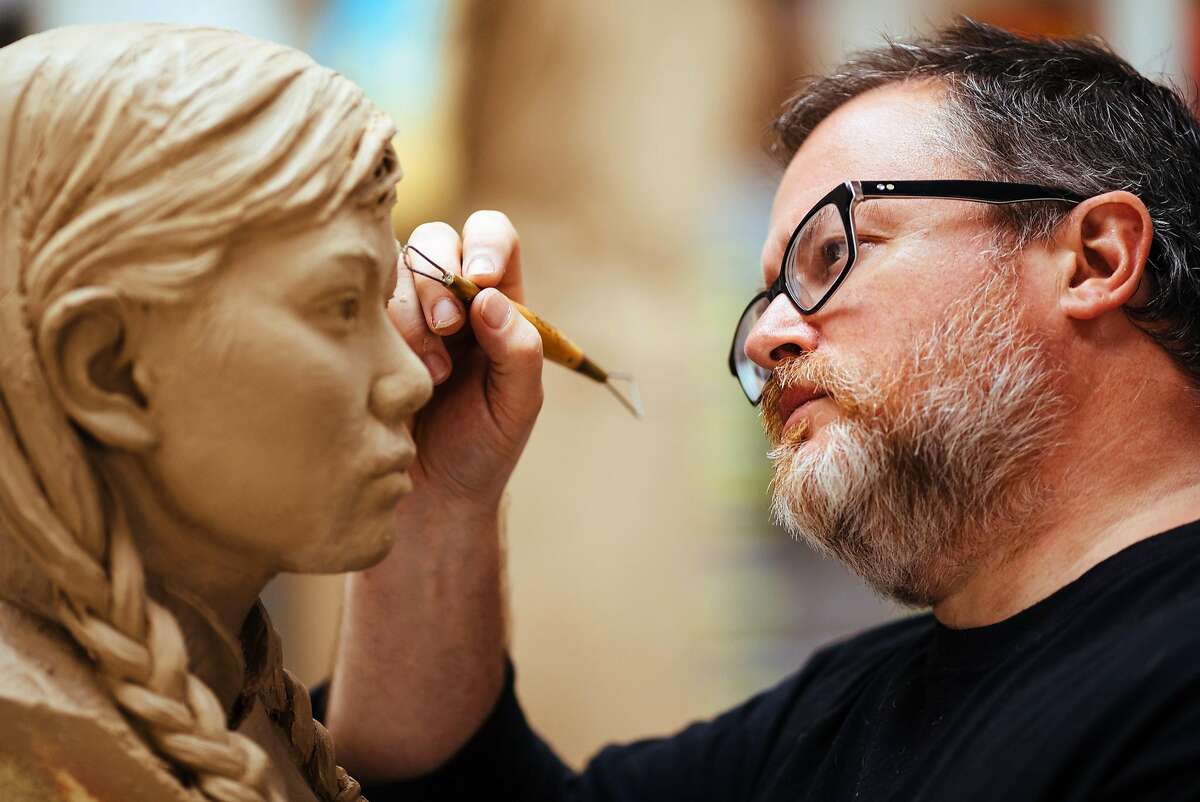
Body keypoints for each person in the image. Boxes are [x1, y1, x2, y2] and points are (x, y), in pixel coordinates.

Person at [322, 18, 1200, 801]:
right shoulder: (835, 713)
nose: (762, 339)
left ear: (1091, 258)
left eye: (831, 250)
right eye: (767, 293)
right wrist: (440, 492)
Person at [0, 23, 434, 802]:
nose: (411, 379)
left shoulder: (229, 699)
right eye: (340, 305)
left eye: (384, 300)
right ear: (108, 372)